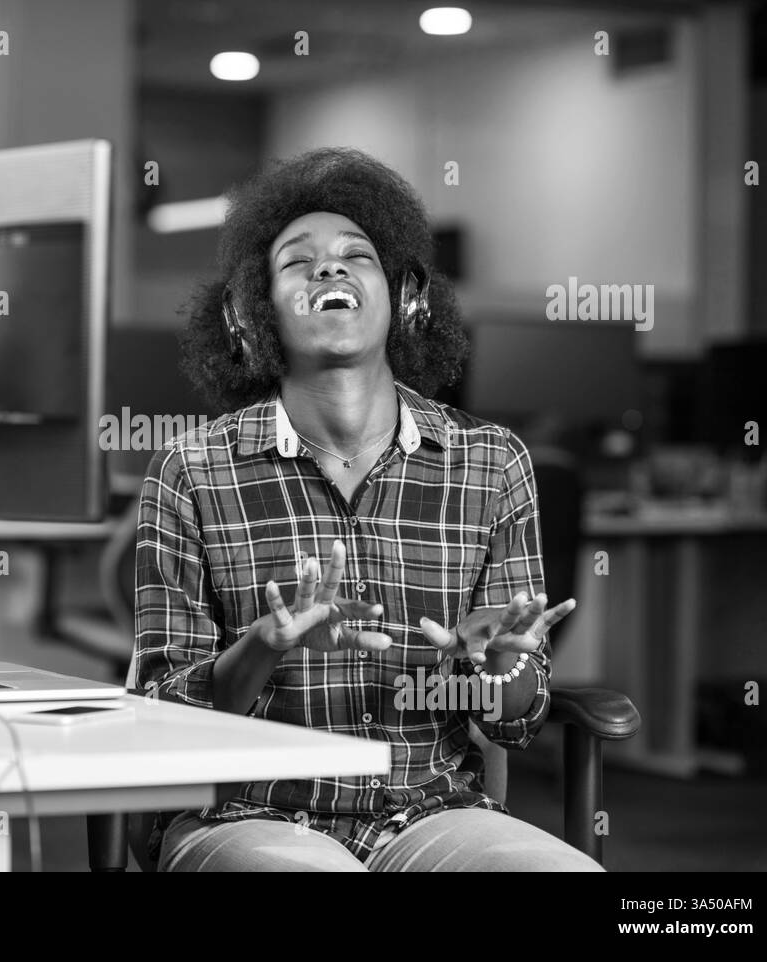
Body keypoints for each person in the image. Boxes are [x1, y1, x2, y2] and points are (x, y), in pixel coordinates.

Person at [133, 147, 602, 871]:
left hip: (432, 808)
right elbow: (159, 720)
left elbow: (518, 718)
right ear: (252, 312)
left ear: (405, 297)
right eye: (298, 261)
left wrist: (500, 669)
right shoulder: (190, 469)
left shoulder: (489, 461)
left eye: (359, 255)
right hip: (247, 812)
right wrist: (263, 645)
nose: (330, 268)